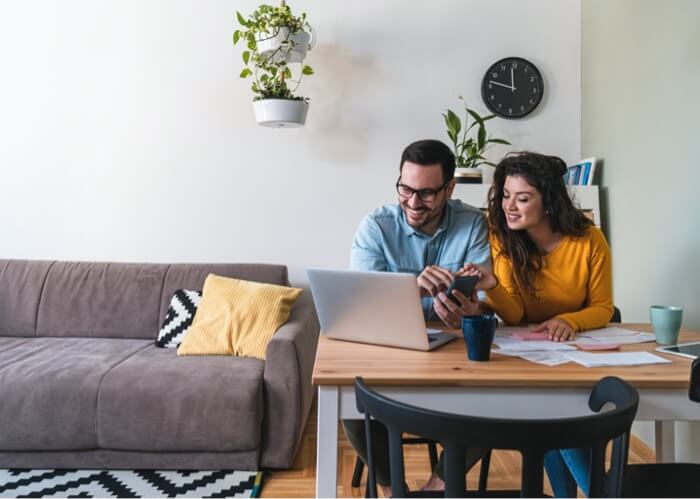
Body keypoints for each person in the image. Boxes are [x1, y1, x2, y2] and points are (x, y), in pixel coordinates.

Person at [345, 139, 491, 493]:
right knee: (352, 401)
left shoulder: (473, 224)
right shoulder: (376, 226)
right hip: (391, 352)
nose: (413, 202)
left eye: (426, 194)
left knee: (497, 403)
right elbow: (360, 304)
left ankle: (434, 488)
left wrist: (473, 312)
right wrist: (411, 287)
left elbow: (488, 298)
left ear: (449, 188)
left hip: (454, 355)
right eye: (405, 189)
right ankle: (394, 489)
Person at [465, 151, 614, 497]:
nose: (509, 206)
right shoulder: (503, 239)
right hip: (530, 358)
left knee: (552, 411)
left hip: (578, 356)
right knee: (548, 407)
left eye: (523, 198)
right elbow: (515, 315)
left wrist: (569, 321)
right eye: (505, 195)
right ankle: (600, 493)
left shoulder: (590, 240)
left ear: (548, 201)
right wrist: (493, 289)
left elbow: (603, 307)